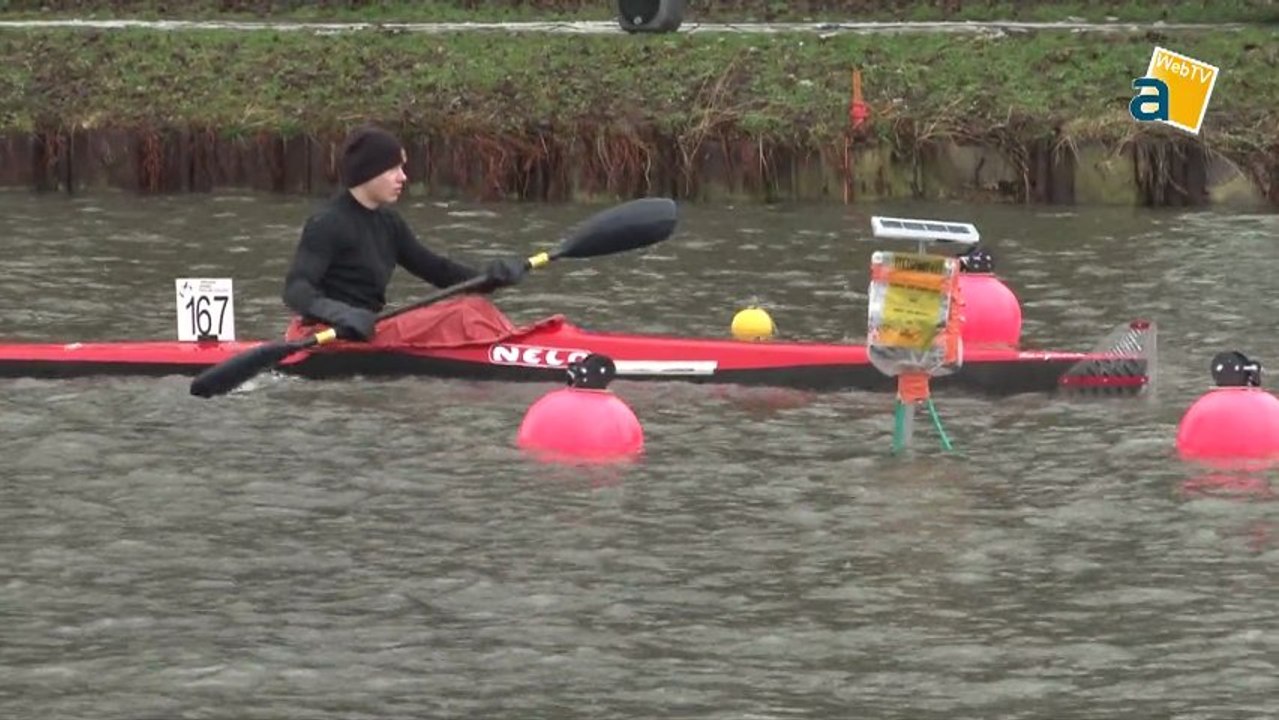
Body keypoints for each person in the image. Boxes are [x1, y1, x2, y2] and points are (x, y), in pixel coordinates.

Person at [281, 124, 528, 342]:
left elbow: (438, 270)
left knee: (474, 306)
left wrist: (491, 277)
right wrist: (342, 314)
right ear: (368, 173)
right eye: (393, 169)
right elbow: (296, 290)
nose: (404, 177)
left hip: (371, 327)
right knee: (462, 315)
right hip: (330, 333)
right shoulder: (327, 224)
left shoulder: (389, 223)